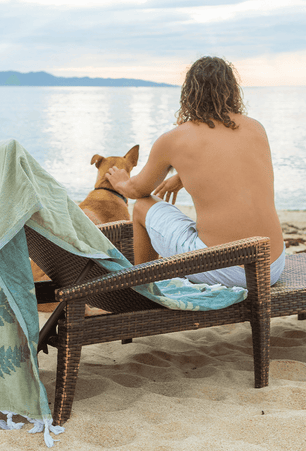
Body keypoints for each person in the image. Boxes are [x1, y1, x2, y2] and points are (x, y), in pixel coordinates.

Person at [106, 56, 285, 288]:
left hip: (225, 269)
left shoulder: (174, 139)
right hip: (270, 267)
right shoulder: (256, 128)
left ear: (189, 93)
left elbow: (138, 190)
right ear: (232, 90)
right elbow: (233, 164)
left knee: (142, 207)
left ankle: (142, 290)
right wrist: (182, 176)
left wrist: (121, 182)